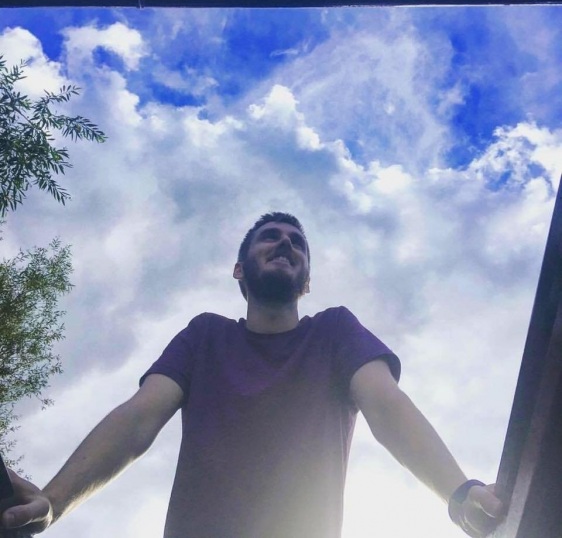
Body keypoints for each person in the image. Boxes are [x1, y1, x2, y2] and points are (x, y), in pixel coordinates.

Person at [0, 212, 504, 537]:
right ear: (239, 269)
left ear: (307, 281)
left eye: (297, 243)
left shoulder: (334, 332)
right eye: (271, 238)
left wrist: (458, 494)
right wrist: (54, 502)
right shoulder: (204, 336)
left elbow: (386, 405)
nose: (286, 244)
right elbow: (138, 418)